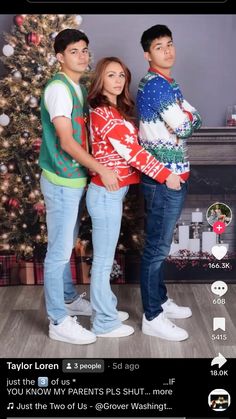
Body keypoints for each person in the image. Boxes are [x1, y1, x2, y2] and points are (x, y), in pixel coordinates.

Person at [39, 29, 120, 345]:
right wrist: (101, 168)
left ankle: (70, 298)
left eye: (85, 50)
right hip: (62, 182)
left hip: (72, 180)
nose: (83, 56)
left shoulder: (76, 86)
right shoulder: (59, 89)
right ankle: (58, 319)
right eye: (75, 51)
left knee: (66, 242)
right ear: (60, 57)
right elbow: (67, 142)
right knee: (58, 252)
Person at [87, 57, 172, 338]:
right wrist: (165, 175)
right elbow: (133, 153)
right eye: (111, 75)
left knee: (105, 258)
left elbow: (132, 147)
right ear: (101, 80)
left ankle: (107, 308)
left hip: (111, 194)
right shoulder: (102, 112)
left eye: (121, 75)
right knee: (102, 262)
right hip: (104, 195)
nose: (118, 80)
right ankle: (103, 323)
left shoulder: (115, 111)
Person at [136, 24, 202, 341]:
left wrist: (186, 117)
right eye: (159, 46)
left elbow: (192, 118)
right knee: (156, 249)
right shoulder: (156, 87)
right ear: (148, 54)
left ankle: (160, 301)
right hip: (165, 179)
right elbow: (187, 125)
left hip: (175, 176)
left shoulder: (168, 83)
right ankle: (152, 316)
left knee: (160, 247)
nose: (167, 50)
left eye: (170, 44)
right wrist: (185, 118)